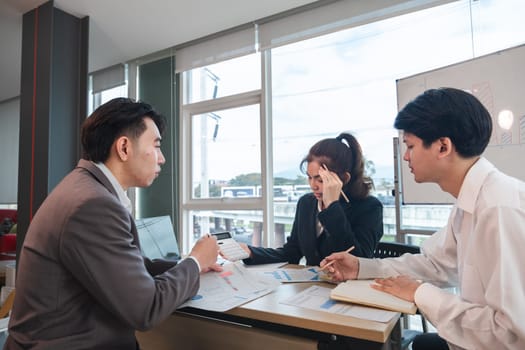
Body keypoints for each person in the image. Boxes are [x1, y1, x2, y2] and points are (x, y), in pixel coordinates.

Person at [6, 98, 221, 349]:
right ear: (124, 148)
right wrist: (195, 262)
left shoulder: (87, 189)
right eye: (156, 145)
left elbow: (132, 267)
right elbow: (146, 308)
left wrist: (190, 264)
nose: (161, 158)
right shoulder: (93, 205)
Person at [321, 88, 525, 350]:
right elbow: (435, 264)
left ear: (442, 146)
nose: (405, 156)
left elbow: (512, 334)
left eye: (410, 146)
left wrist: (419, 293)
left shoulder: (499, 208)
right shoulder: (471, 203)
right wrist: (361, 267)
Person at [240, 132, 383, 266]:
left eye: (320, 180)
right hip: (312, 288)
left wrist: (332, 206)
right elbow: (291, 253)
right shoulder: (306, 203)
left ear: (344, 179)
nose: (313, 186)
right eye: (309, 177)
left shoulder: (369, 207)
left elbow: (359, 260)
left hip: (348, 289)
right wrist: (252, 252)